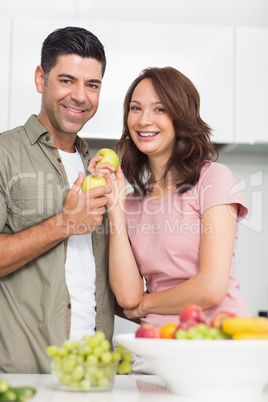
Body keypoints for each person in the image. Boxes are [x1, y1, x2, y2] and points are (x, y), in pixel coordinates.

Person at [90, 66, 251, 362]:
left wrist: (144, 305)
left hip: (218, 342)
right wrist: (114, 208)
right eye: (135, 108)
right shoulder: (131, 199)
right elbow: (127, 297)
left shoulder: (213, 178)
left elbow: (212, 288)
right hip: (155, 350)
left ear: (181, 117)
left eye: (159, 109)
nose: (143, 120)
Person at [0, 26, 115, 374]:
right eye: (67, 80)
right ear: (41, 78)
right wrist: (63, 224)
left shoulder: (96, 167)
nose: (80, 96)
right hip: (27, 372)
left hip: (94, 371)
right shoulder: (5, 154)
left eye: (92, 85)